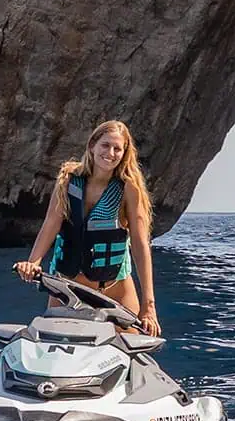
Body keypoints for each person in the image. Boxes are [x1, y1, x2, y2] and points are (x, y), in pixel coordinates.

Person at [14, 119, 162, 336]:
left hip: (113, 287)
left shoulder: (128, 189)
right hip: (67, 286)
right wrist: (33, 262)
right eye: (105, 145)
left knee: (135, 340)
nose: (110, 153)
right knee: (54, 342)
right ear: (92, 145)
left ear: (124, 154)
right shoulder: (68, 181)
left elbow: (140, 245)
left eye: (117, 149)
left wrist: (149, 306)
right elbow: (51, 224)